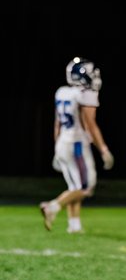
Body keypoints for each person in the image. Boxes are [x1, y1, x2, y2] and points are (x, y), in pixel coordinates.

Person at [40, 57, 115, 234]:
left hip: (62, 143)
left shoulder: (62, 92)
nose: (94, 77)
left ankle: (74, 225)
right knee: (86, 187)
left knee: (75, 186)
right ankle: (52, 206)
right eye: (91, 74)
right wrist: (103, 149)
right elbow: (90, 124)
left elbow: (57, 124)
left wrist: (56, 149)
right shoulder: (85, 94)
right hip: (77, 145)